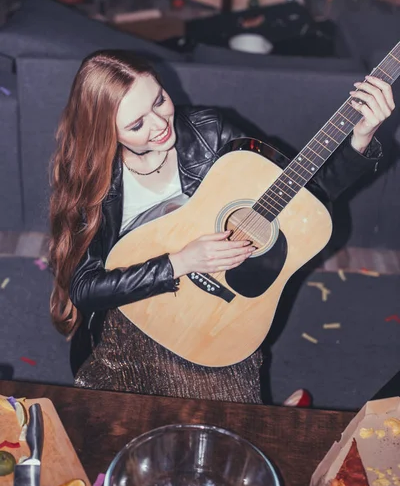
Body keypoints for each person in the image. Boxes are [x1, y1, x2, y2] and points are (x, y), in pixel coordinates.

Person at [49, 49, 395, 404]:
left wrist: (360, 138)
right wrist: (181, 262)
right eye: (136, 125)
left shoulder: (209, 133)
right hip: (136, 313)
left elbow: (304, 194)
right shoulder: (93, 178)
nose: (159, 123)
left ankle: (278, 418)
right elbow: (86, 288)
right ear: (105, 131)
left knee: (228, 433)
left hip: (217, 311)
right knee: (116, 426)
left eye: (159, 100)